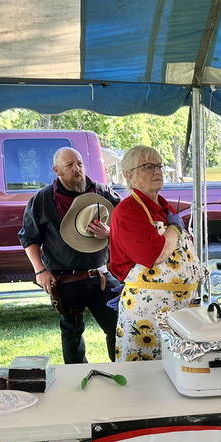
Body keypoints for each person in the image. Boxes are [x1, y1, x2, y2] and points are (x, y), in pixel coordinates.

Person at [20, 147, 120, 363]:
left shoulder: (102, 192)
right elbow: (29, 237)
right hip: (66, 280)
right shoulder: (43, 198)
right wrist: (40, 271)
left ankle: (121, 372)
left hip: (101, 277)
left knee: (119, 328)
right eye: (69, 165)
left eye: (80, 163)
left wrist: (110, 233)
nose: (77, 169)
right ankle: (75, 378)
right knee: (72, 336)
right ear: (57, 170)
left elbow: (125, 226)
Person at [109, 145, 203, 361]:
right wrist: (174, 229)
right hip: (148, 313)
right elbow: (155, 255)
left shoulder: (163, 207)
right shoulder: (128, 210)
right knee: (146, 372)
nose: (157, 171)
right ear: (128, 175)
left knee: (180, 369)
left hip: (181, 309)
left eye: (159, 165)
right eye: (148, 166)